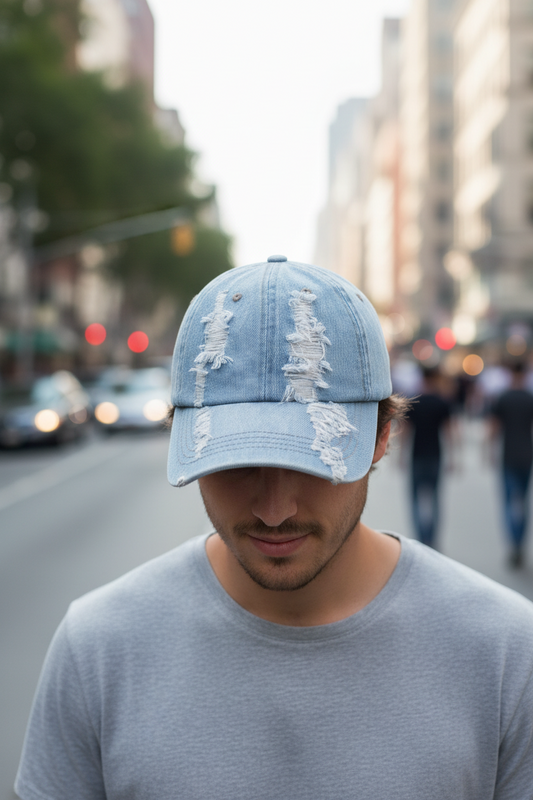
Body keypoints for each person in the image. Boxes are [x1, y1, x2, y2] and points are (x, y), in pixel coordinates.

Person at [16, 256, 533, 799]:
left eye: (314, 460)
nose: (274, 508)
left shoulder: (504, 653)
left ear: (383, 434)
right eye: (236, 463)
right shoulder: (98, 648)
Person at [403, 365, 454, 548]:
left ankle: (420, 537)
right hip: (435, 455)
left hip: (416, 455)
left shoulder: (414, 401)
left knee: (416, 497)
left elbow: (406, 431)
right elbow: (449, 431)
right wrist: (453, 457)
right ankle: (432, 538)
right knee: (434, 498)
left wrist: (400, 456)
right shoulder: (442, 402)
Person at [489, 360, 533, 568]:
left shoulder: (503, 398)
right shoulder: (529, 398)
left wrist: (488, 451)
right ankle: (519, 543)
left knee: (508, 502)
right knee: (522, 502)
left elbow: (494, 427)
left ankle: (512, 544)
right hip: (526, 455)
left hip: (508, 455)